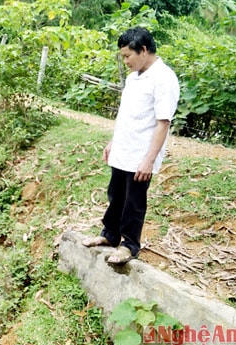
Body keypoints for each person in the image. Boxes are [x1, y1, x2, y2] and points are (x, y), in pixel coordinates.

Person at [82, 27, 180, 265]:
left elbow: (163, 122)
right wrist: (113, 141)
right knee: (116, 194)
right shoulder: (134, 76)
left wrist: (149, 159)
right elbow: (127, 114)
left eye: (128, 55)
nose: (125, 61)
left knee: (134, 201)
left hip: (141, 153)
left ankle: (129, 245)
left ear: (143, 50)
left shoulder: (164, 78)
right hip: (124, 147)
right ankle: (110, 234)